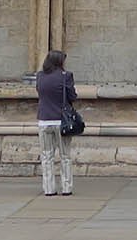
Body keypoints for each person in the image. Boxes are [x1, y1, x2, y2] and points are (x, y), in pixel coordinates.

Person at [34, 49, 79, 196]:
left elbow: (40, 93)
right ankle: (66, 188)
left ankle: (49, 188)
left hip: (44, 120)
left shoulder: (40, 76)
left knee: (47, 156)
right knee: (65, 156)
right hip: (62, 121)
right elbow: (72, 96)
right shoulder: (66, 76)